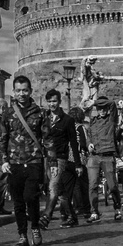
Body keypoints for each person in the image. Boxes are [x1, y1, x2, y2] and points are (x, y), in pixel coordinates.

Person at [0, 74, 47, 246]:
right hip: (14, 162)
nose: (21, 94)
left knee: (31, 197)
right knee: (18, 201)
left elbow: (46, 138)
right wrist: (3, 160)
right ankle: (22, 235)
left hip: (34, 160)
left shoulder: (40, 112)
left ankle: (34, 227)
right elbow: (2, 139)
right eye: (18, 90)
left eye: (25, 90)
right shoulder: (8, 113)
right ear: (13, 92)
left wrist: (53, 162)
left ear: (30, 91)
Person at [41, 89, 79, 228]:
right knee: (60, 191)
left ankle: (46, 217)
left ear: (59, 101)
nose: (52, 104)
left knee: (53, 186)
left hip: (60, 158)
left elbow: (73, 142)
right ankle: (71, 217)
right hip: (46, 157)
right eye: (50, 101)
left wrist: (78, 163)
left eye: (54, 101)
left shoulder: (67, 120)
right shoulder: (43, 118)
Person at [82, 96, 121, 222]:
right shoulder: (93, 121)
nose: (102, 110)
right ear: (97, 109)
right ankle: (94, 212)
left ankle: (117, 208)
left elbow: (113, 103)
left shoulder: (111, 119)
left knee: (112, 186)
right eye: (99, 108)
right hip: (94, 156)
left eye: (104, 107)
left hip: (108, 156)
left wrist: (94, 102)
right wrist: (89, 144)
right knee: (92, 185)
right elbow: (88, 136)